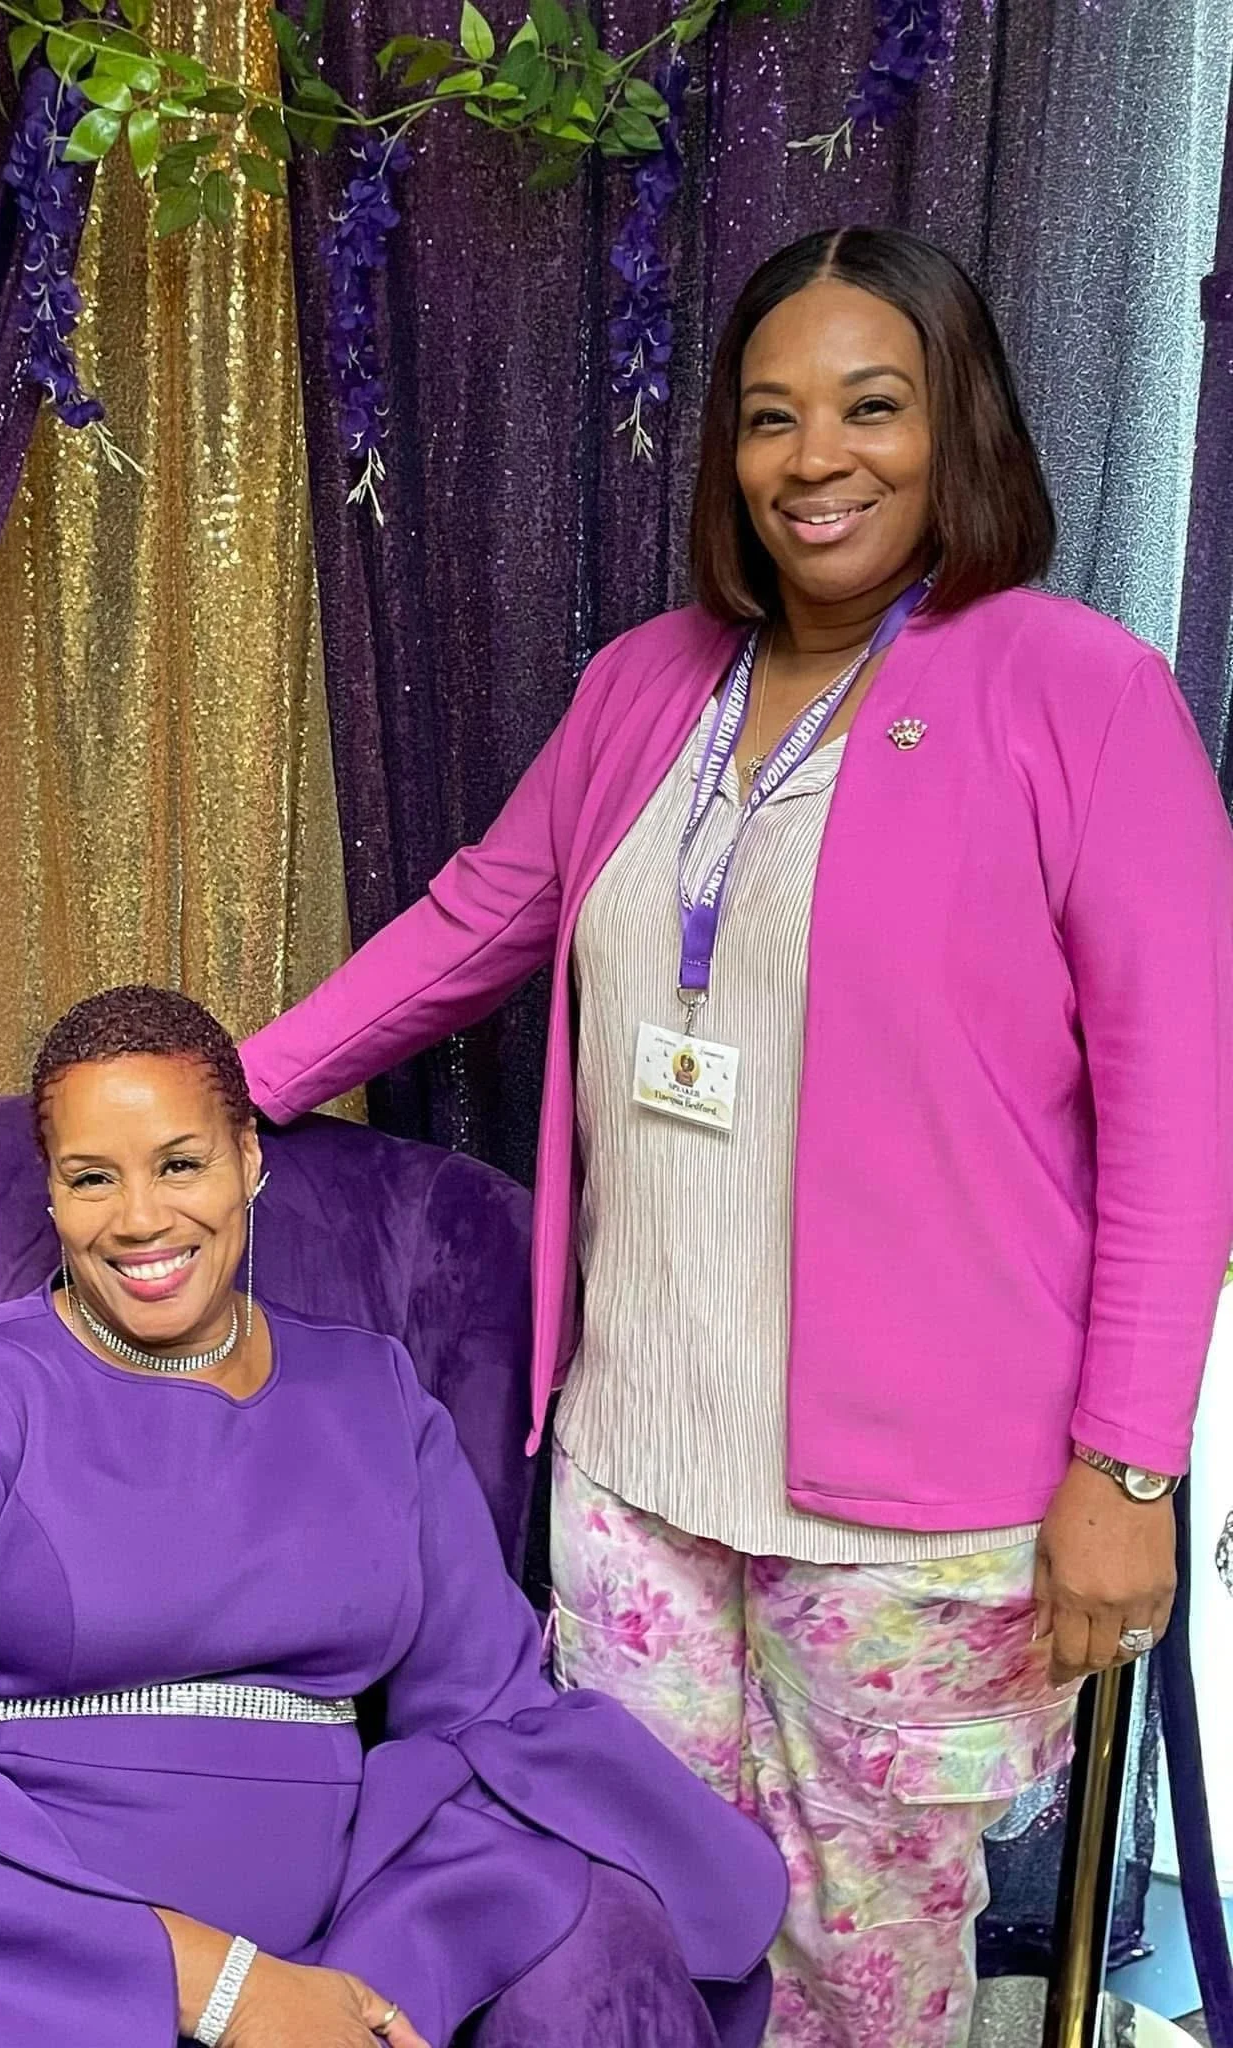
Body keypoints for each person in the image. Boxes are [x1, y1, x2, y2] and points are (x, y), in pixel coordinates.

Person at [239, 226, 1233, 2046]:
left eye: (872, 406)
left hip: (922, 1510)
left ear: (960, 427)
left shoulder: (1078, 692)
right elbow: (479, 917)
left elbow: (1184, 1110)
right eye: (771, 418)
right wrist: (240, 1086)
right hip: (631, 1463)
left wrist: (1131, 1464)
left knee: (864, 1964)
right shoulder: (647, 681)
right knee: (650, 1918)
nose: (816, 458)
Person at [0, 985, 785, 2048]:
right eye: (91, 1178)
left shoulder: (376, 1389)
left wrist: (354, 1989)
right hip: (50, 1945)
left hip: (348, 1926)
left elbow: (484, 1715)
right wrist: (219, 1985)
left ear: (249, 1161)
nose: (139, 1219)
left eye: (181, 1162)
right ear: (53, 1196)